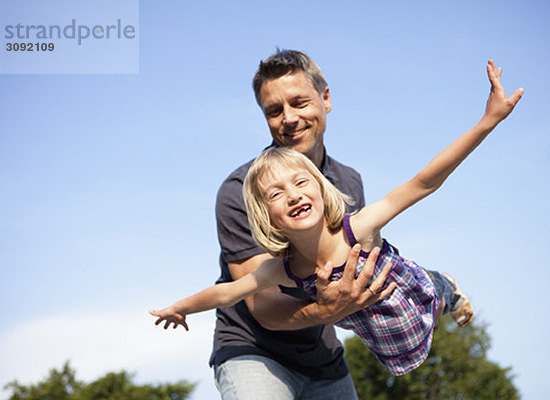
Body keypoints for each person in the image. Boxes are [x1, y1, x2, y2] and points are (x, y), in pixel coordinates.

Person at [150, 61, 523, 377]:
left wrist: (486, 122)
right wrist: (181, 307)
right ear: (265, 217)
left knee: (426, 287)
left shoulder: (356, 222)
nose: (293, 194)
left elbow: (425, 181)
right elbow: (229, 292)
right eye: (277, 194)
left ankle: (443, 285)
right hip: (322, 338)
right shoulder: (279, 264)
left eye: (301, 183)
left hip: (399, 301)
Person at [207, 49, 382, 399]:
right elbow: (266, 307)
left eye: (299, 102)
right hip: (254, 350)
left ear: (326, 99)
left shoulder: (349, 183)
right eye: (274, 111)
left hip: (323, 356)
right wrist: (327, 308)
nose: (289, 118)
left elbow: (369, 265)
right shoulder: (240, 190)